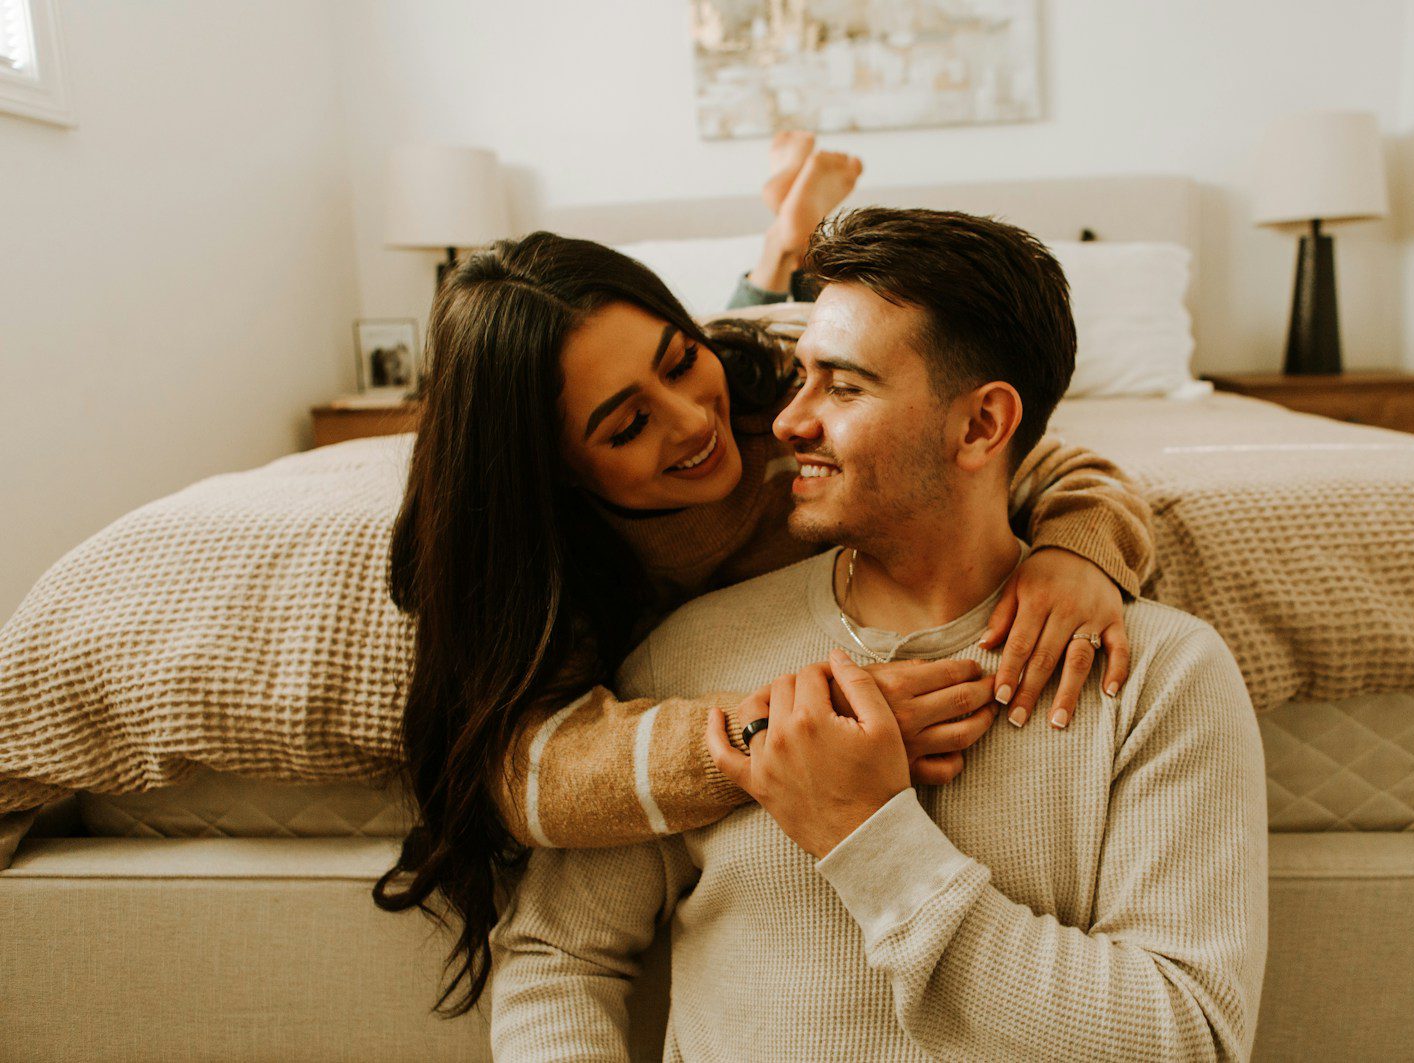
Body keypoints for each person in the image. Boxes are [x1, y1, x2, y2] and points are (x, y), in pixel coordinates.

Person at [374, 137, 1160, 1015]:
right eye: (626, 425)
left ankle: (785, 247)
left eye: (677, 359)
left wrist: (1077, 549)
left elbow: (1034, 459)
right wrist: (768, 737)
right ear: (553, 472)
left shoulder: (780, 382)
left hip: (754, 341)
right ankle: (786, 230)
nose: (690, 422)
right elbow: (531, 770)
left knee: (751, 328)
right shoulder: (549, 556)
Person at [488, 208, 1268, 1061]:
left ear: (982, 426)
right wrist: (749, 743)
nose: (785, 424)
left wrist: (867, 834)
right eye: (800, 376)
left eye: (843, 386)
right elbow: (557, 955)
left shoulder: (1160, 672)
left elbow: (1190, 1039)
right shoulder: (678, 657)